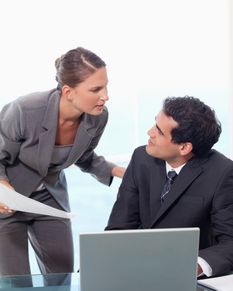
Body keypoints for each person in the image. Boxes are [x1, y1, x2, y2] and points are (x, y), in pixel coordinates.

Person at [0, 47, 125, 276]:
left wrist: (119, 171)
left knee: (62, 277)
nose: (105, 96)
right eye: (96, 89)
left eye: (106, 86)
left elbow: (84, 157)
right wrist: (1, 184)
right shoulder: (25, 110)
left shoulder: (98, 117)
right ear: (68, 92)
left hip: (50, 198)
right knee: (14, 283)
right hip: (9, 200)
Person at [106, 96, 233, 277]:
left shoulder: (223, 172)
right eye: (154, 124)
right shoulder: (141, 158)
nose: (150, 132)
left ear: (184, 148)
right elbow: (119, 227)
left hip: (188, 279)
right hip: (137, 267)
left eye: (159, 131)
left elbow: (230, 243)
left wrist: (193, 266)